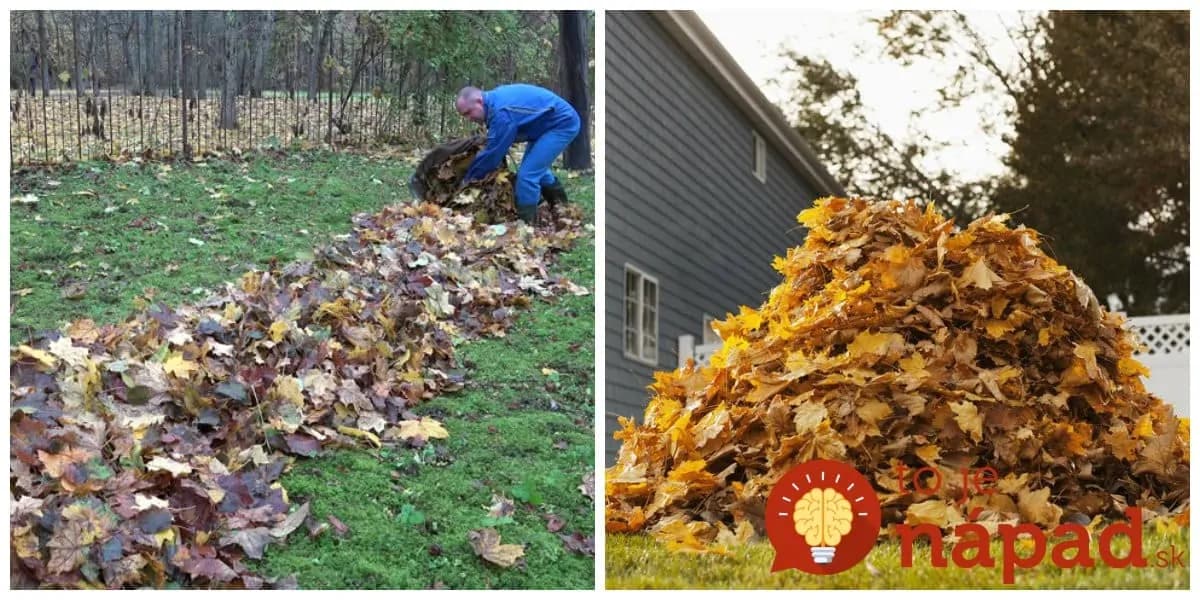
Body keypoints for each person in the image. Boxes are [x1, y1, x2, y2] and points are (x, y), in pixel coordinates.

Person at [456, 84, 580, 224]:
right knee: (535, 168)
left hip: (562, 123)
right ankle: (561, 207)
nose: (468, 118)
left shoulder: (501, 112)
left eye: (468, 112)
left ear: (479, 101)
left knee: (527, 176)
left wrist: (468, 180)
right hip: (543, 125)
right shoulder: (494, 102)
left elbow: (492, 156)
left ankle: (527, 225)